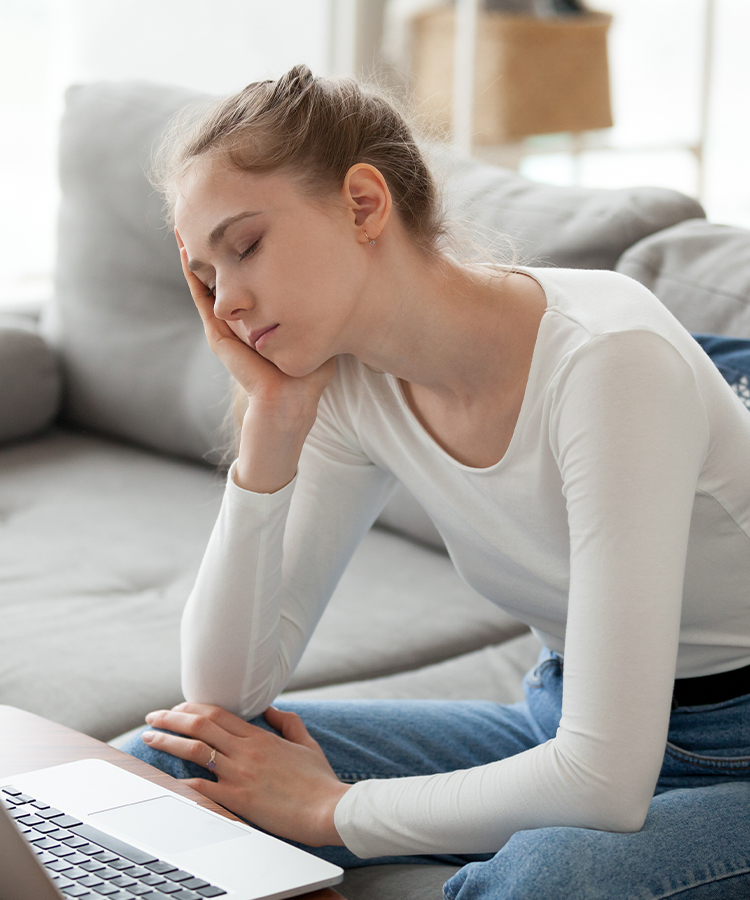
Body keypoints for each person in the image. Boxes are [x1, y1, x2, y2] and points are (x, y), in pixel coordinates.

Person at [122, 65, 750, 899]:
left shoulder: (608, 361)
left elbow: (604, 779)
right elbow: (226, 692)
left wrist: (334, 812)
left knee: (544, 881)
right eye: (206, 279)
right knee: (170, 762)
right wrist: (271, 428)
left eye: (244, 247)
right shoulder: (349, 386)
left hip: (726, 748)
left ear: (362, 204)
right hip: (562, 719)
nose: (229, 301)